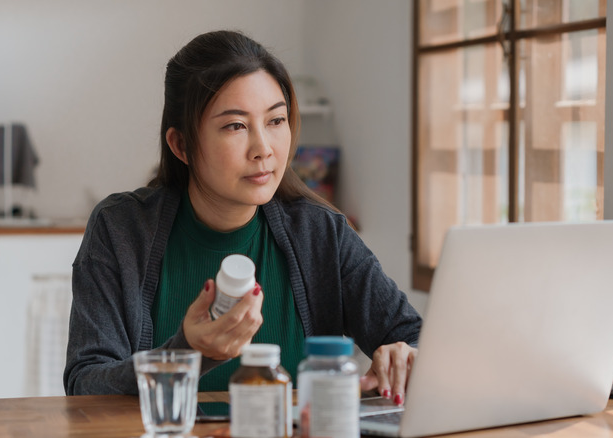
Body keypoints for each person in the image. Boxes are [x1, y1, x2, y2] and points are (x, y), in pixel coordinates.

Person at [64, 30, 422, 406]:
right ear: (181, 145)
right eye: (236, 126)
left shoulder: (321, 233)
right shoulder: (120, 229)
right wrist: (189, 353)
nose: (263, 149)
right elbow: (85, 384)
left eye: (276, 120)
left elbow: (415, 337)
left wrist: (406, 354)